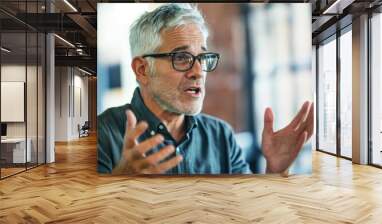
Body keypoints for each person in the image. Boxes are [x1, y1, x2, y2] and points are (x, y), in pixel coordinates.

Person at [97, 3, 314, 175]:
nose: (199, 71)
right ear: (142, 70)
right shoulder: (103, 134)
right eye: (181, 58)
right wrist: (121, 178)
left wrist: (276, 170)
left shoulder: (221, 135)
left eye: (203, 57)